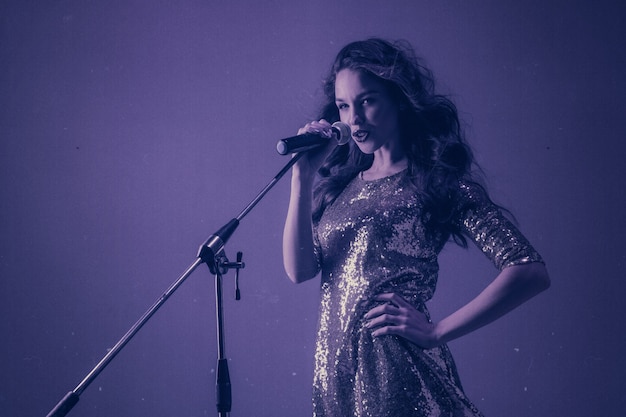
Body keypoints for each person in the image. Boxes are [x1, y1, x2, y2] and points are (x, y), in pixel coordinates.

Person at [282, 38, 550, 417]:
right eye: (344, 106)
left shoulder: (435, 181)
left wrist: (436, 331)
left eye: (367, 101)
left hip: (397, 379)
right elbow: (300, 270)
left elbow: (529, 270)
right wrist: (302, 177)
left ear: (398, 99)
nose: (353, 119)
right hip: (335, 380)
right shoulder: (345, 185)